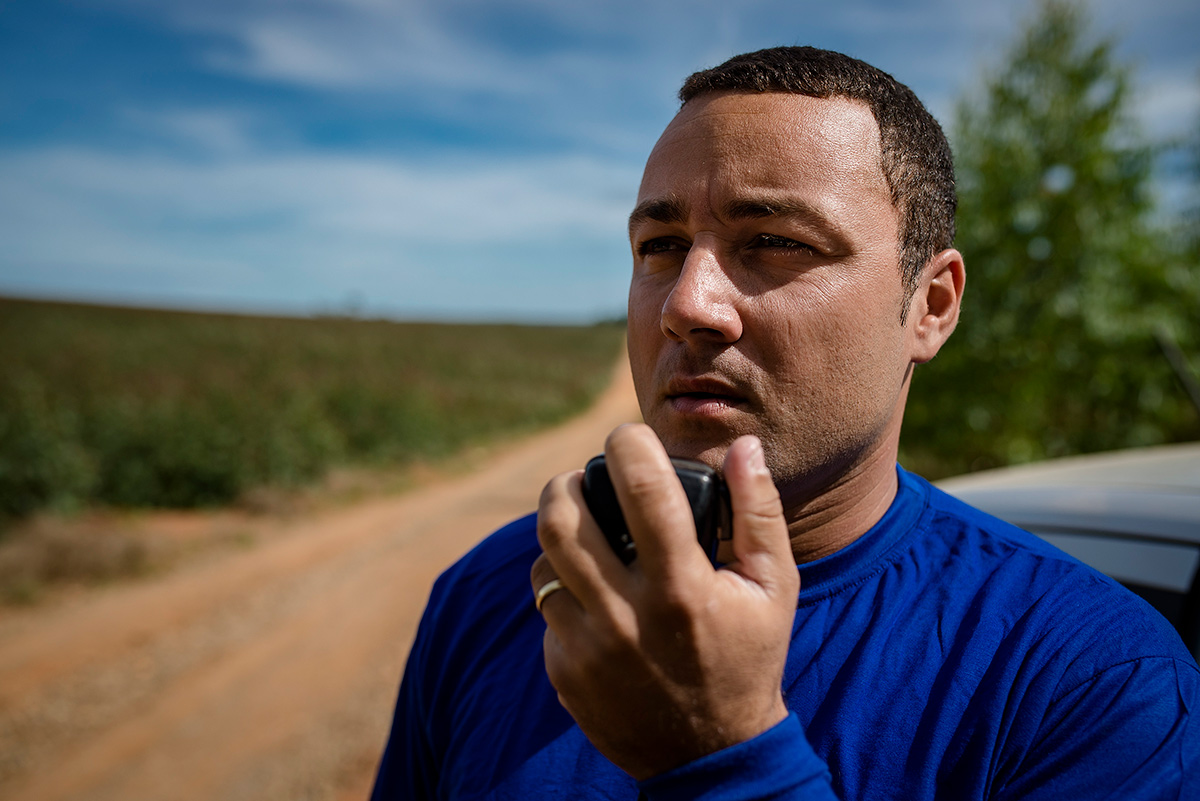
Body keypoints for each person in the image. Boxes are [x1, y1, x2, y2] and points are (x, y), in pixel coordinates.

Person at [371, 46, 1199, 800]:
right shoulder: (495, 591)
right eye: (660, 245)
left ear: (931, 305)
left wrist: (722, 757)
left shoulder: (1094, 684)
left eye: (773, 240)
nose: (689, 306)